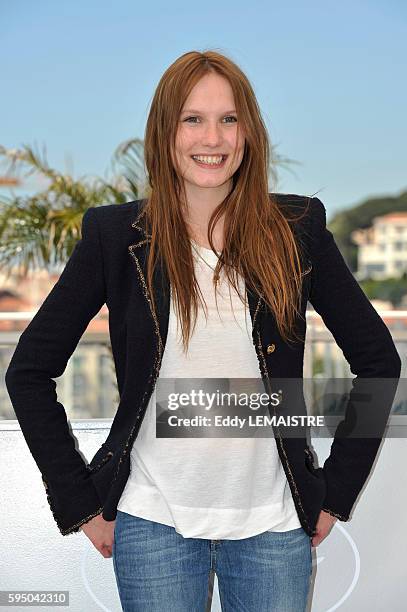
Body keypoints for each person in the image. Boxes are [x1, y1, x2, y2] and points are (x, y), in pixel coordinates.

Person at [5, 50, 401, 611]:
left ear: (249, 134)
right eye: (192, 118)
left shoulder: (298, 229)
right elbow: (28, 372)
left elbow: (379, 362)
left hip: (275, 526)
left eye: (229, 118)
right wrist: (79, 501)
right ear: (165, 132)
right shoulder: (115, 235)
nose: (211, 137)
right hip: (151, 524)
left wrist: (335, 493)